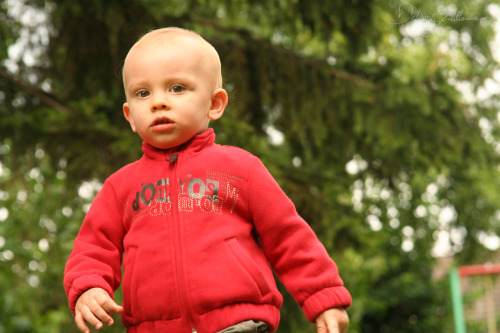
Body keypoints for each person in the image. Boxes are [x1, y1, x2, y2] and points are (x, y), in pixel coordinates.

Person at [64, 27, 352, 333]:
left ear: (214, 104)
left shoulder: (240, 169)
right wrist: (88, 287)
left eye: (176, 88)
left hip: (239, 324)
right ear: (130, 116)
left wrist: (324, 296)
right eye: (143, 93)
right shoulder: (119, 187)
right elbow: (93, 247)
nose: (158, 102)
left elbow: (289, 237)